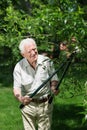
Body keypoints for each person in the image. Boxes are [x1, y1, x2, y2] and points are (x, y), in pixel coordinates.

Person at [13, 38, 59, 130]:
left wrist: (54, 87)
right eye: (29, 51)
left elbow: (54, 79)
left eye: (35, 49)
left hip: (45, 104)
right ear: (23, 54)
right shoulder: (19, 67)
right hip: (28, 106)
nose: (33, 53)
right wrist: (21, 99)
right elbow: (16, 88)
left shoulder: (47, 62)